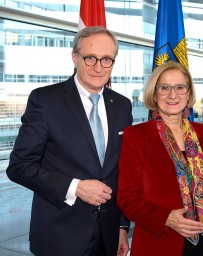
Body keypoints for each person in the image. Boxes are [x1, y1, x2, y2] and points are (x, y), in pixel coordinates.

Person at [6, 26, 132, 256]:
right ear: (75, 57)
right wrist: (76, 187)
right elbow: (19, 167)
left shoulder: (123, 106)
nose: (98, 67)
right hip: (60, 236)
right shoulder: (45, 100)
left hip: (109, 233)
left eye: (106, 60)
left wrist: (122, 226)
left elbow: (122, 172)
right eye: (90, 58)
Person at [117, 62, 203, 256]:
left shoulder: (202, 133)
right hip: (161, 242)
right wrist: (166, 218)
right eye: (164, 88)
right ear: (154, 94)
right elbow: (127, 199)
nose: (173, 95)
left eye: (180, 87)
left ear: (188, 94)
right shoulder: (136, 136)